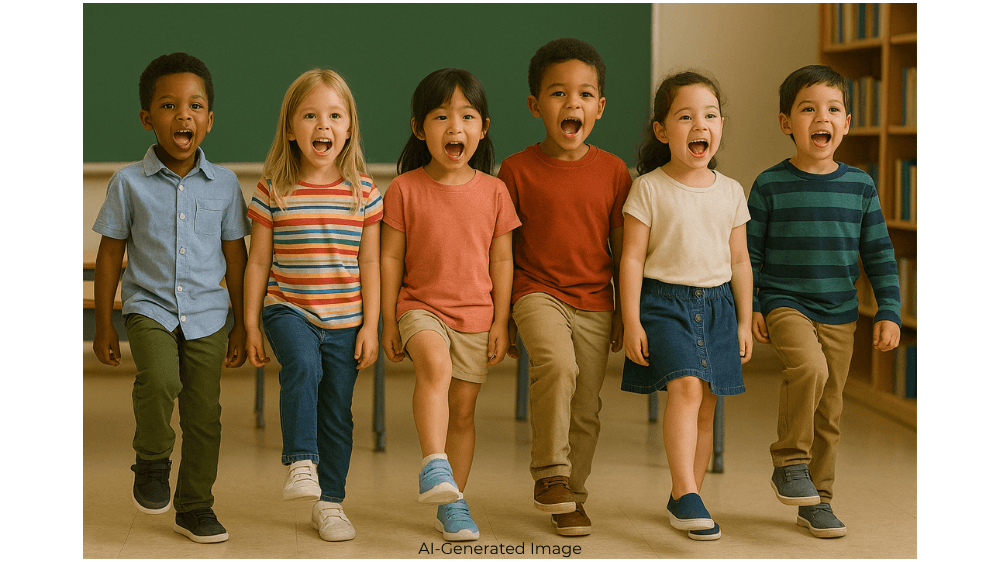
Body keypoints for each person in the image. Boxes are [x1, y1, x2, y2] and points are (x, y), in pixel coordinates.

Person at [91, 52, 250, 544]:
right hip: (149, 308)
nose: (184, 115)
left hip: (208, 315)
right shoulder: (127, 182)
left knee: (205, 417)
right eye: (168, 105)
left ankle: (196, 506)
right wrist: (103, 324)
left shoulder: (225, 185)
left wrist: (242, 323)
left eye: (195, 105)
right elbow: (110, 255)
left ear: (208, 120)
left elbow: (236, 259)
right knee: (160, 380)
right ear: (147, 119)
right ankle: (153, 457)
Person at [748, 64, 901, 539]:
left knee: (830, 411)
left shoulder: (859, 186)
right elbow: (748, 254)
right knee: (809, 370)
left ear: (847, 123)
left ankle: (818, 500)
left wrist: (890, 310)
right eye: (808, 108)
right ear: (786, 122)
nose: (822, 117)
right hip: (785, 302)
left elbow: (879, 253)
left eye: (833, 109)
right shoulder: (769, 185)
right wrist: (752, 304)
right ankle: (790, 462)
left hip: (841, 311)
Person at [497, 38, 631, 537]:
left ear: (599, 106)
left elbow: (622, 251)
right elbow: (503, 252)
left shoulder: (616, 172)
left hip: (596, 300)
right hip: (536, 292)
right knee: (556, 363)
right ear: (536, 106)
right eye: (558, 94)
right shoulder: (515, 169)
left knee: (587, 406)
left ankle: (572, 495)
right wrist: (501, 316)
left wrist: (623, 310)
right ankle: (551, 474)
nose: (572, 104)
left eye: (584, 94)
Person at [380, 68, 520, 542]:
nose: (455, 127)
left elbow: (502, 258)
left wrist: (501, 319)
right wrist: (387, 321)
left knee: (462, 413)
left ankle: (453, 502)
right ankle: (433, 463)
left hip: (477, 316)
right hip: (420, 307)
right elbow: (390, 257)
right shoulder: (403, 190)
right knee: (434, 367)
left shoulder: (495, 191)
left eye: (467, 116)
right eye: (441, 116)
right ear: (420, 129)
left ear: (483, 128)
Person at [243, 69, 383, 542]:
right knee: (302, 363)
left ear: (348, 129)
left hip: (346, 320)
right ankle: (301, 461)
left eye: (334, 115)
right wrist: (250, 323)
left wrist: (371, 326)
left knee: (337, 412)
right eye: (309, 115)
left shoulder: (363, 192)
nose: (322, 125)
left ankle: (331, 503)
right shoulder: (273, 189)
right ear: (290, 128)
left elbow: (370, 263)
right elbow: (258, 260)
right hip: (289, 309)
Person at [620, 71, 752, 542]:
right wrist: (631, 317)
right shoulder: (649, 188)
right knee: (687, 391)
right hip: (664, 303)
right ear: (661, 130)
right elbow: (631, 258)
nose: (701, 125)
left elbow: (739, 261)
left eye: (710, 115)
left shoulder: (732, 191)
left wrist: (742, 321)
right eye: (686, 116)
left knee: (707, 404)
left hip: (717, 306)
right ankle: (686, 490)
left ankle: (686, 496)